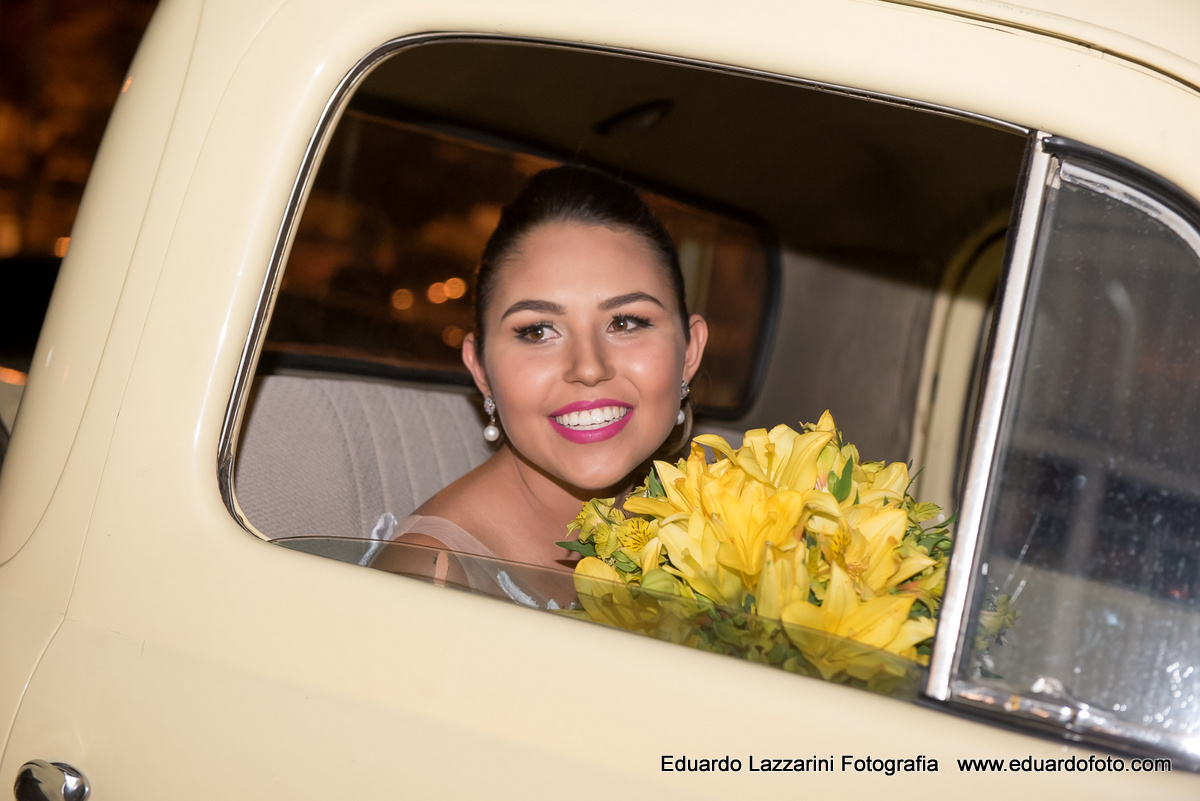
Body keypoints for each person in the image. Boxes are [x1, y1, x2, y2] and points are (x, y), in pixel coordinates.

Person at [371, 166, 707, 599]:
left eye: (624, 323)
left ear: (690, 352)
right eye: (538, 331)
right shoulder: (429, 579)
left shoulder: (732, 527)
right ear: (480, 369)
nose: (588, 368)